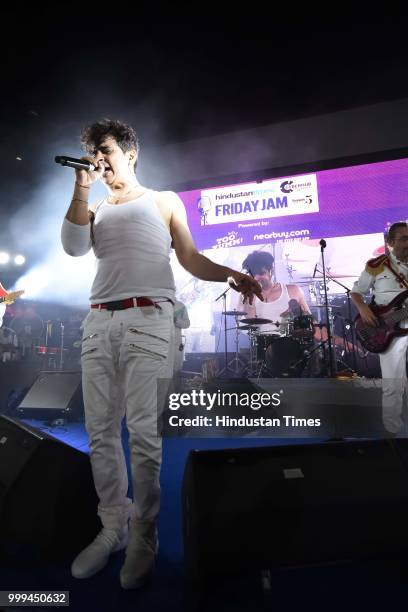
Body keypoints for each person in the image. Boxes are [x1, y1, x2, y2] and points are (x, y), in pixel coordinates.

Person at [60, 118, 262, 589]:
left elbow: (189, 257)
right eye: (93, 152)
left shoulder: (163, 201)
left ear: (131, 153)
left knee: (145, 436)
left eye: (105, 149)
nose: (99, 159)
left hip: (150, 322)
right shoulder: (93, 206)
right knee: (100, 431)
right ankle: (112, 525)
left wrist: (232, 272)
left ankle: (143, 534)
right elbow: (72, 248)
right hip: (98, 324)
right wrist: (81, 188)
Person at [351, 221, 408, 435]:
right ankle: (393, 432)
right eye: (403, 239)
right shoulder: (376, 265)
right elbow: (357, 292)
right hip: (389, 331)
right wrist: (363, 308)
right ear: (391, 242)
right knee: (392, 383)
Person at [240, 250, 311, 333]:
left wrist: (296, 313)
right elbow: (251, 325)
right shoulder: (248, 295)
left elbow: (310, 322)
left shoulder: (293, 291)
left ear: (272, 271)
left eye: (261, 273)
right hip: (263, 344)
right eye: (253, 274)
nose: (256, 278)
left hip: (291, 343)